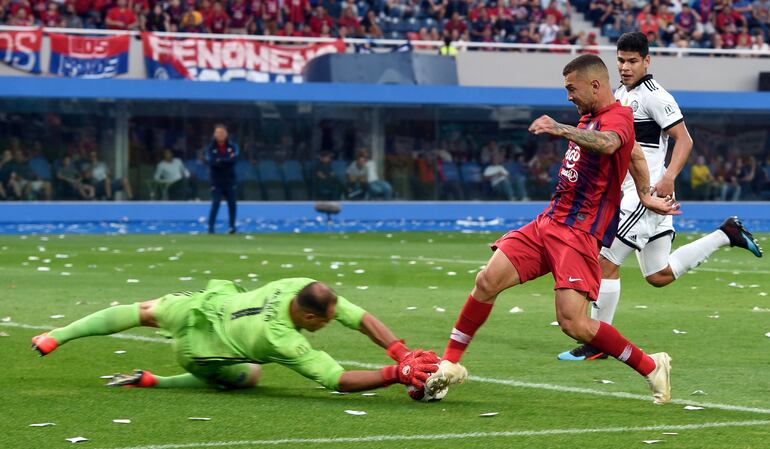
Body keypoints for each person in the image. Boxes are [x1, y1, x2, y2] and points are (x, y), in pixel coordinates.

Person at [425, 54, 681, 404]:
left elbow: (611, 145)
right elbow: (635, 154)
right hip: (549, 222)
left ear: (595, 85)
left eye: (571, 89)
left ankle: (651, 365)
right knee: (487, 280)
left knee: (574, 324)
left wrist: (560, 129)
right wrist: (645, 195)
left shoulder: (619, 116)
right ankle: (450, 365)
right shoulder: (590, 118)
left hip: (580, 233)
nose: (568, 97)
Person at [557, 32, 763, 362]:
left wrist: (668, 178)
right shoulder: (620, 94)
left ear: (647, 61)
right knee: (659, 275)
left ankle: (599, 342)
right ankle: (727, 234)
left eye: (633, 61)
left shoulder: (656, 96)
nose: (625, 67)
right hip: (632, 192)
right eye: (621, 60)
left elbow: (684, 140)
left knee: (605, 262)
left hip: (645, 193)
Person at [31, 278, 439, 393]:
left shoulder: (301, 285)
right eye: (326, 321)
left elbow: (361, 316)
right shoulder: (282, 340)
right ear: (309, 316)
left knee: (141, 311)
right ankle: (159, 381)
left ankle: (56, 336)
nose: (333, 323)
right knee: (251, 376)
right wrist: (395, 374)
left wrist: (398, 349)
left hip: (207, 303)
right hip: (199, 350)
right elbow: (337, 380)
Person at [206, 124, 239, 234]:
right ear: (214, 134)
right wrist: (224, 161)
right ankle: (211, 227)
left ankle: (232, 226)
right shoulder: (211, 148)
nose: (220, 135)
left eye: (222, 133)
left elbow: (233, 159)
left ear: (226, 134)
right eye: (218, 133)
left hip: (229, 180)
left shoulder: (232, 146)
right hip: (216, 180)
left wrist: (220, 161)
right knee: (216, 203)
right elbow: (211, 162)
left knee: (232, 204)